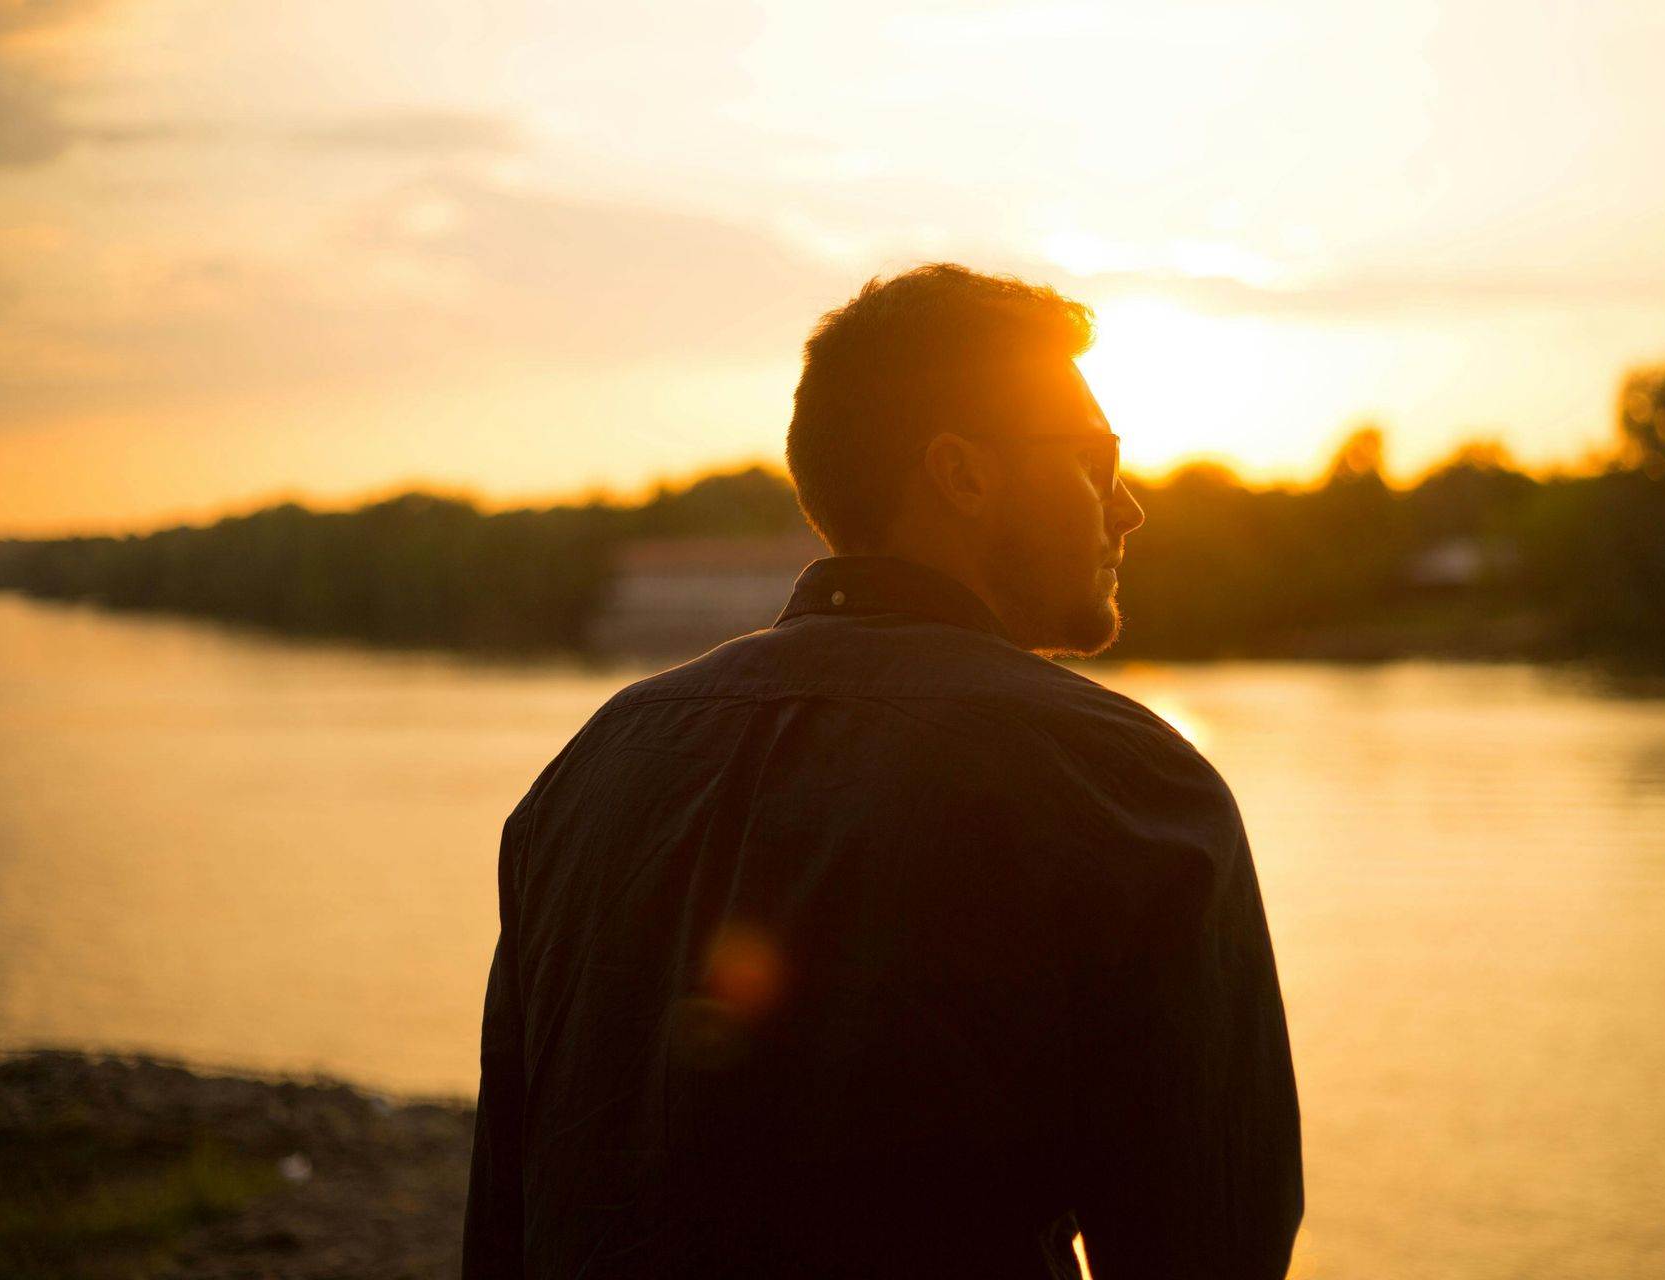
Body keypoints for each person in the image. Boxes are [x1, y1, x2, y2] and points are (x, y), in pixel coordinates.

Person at [463, 263, 1302, 1278]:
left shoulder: (586, 771)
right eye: (1094, 459)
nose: (1128, 509)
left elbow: (506, 1212)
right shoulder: (1125, 787)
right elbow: (1210, 1244)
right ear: (963, 473)